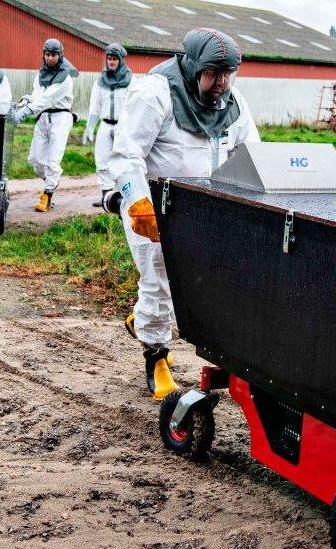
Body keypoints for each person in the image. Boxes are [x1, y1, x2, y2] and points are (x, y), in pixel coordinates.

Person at [104, 28, 259, 401]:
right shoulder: (156, 94)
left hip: (204, 209)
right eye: (213, 72)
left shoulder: (233, 104)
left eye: (227, 73)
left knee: (199, 283)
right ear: (193, 66)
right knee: (158, 277)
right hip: (155, 204)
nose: (221, 82)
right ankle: (156, 358)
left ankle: (144, 321)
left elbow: (252, 155)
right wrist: (138, 203)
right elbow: (126, 155)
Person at [10, 38, 78, 212]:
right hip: (43, 117)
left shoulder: (65, 78)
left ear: (60, 56)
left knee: (52, 161)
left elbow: (48, 99)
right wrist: (25, 101)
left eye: (53, 55)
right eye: (47, 54)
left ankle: (47, 194)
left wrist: (26, 112)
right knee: (36, 161)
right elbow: (38, 95)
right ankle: (51, 181)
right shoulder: (41, 74)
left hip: (60, 118)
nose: (50, 58)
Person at [84, 44, 133, 207]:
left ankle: (125, 196)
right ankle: (106, 197)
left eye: (114, 59)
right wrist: (90, 127)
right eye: (109, 58)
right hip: (105, 125)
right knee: (102, 160)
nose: (111, 62)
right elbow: (94, 105)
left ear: (120, 60)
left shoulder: (130, 80)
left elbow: (134, 106)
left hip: (122, 127)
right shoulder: (101, 81)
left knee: (122, 161)